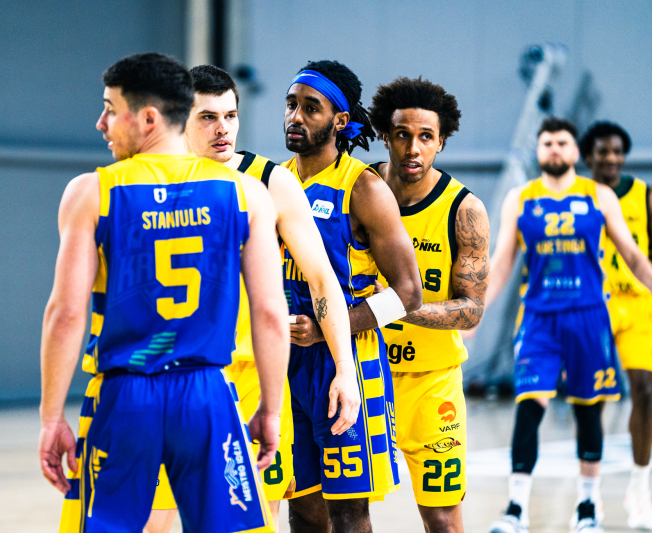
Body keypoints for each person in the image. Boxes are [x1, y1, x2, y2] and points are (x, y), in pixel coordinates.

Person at [39, 53, 289, 533]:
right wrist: (271, 409)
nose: (101, 123)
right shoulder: (246, 194)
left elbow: (66, 313)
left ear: (148, 117)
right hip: (208, 395)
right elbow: (270, 313)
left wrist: (52, 417)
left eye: (110, 109)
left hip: (124, 395)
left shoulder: (92, 192)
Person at [144, 64, 359, 533]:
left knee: (253, 520)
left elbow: (322, 280)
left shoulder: (270, 181)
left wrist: (346, 369)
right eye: (207, 117)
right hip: (166, 375)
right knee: (152, 521)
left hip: (249, 378)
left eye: (231, 116)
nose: (223, 128)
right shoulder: (148, 178)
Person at [293, 76, 489, 532]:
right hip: (358, 372)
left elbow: (471, 309)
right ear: (384, 135)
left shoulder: (464, 210)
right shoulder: (357, 187)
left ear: (442, 141)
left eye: (426, 137)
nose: (412, 149)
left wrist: (395, 304)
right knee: (330, 507)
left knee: (442, 517)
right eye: (402, 134)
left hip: (429, 382)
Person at [485, 118, 652, 533]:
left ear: (576, 152)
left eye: (562, 142)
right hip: (539, 318)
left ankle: (587, 507)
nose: (555, 149)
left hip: (589, 316)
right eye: (547, 143)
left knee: (588, 409)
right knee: (529, 404)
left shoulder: (598, 195)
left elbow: (633, 256)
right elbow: (501, 263)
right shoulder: (520, 198)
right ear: (539, 151)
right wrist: (474, 313)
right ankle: (516, 508)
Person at [282, 60, 423, 533]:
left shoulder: (363, 187)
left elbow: (408, 293)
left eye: (311, 108)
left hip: (347, 362)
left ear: (340, 120)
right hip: (287, 359)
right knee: (301, 506)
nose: (295, 117)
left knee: (347, 510)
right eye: (291, 105)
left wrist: (329, 328)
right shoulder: (276, 180)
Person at [581, 121, 652, 529]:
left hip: (638, 305)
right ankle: (589, 497)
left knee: (645, 391)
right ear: (588, 156)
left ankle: (639, 488)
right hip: (593, 305)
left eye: (617, 151)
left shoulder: (643, 195)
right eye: (603, 151)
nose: (611, 158)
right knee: (592, 399)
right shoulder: (574, 196)